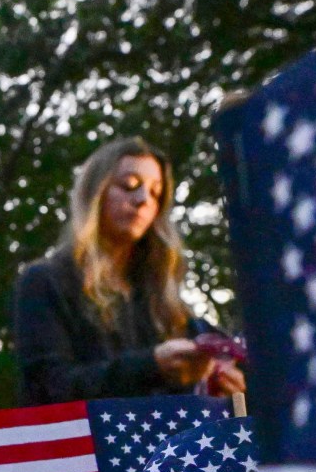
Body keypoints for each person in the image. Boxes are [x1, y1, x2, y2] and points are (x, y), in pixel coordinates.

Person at [12, 136, 246, 405]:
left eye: (155, 193)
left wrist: (215, 383)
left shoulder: (164, 300)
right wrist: (151, 366)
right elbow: (47, 388)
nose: (143, 199)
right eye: (129, 185)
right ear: (95, 193)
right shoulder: (45, 281)